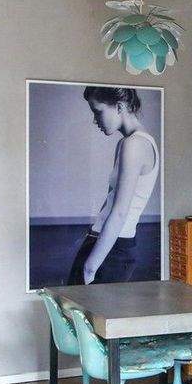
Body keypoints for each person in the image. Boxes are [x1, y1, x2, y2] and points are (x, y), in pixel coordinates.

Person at [67, 86, 159, 285]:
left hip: (112, 248)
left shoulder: (134, 144)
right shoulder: (131, 142)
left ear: (119, 106)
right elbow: (110, 200)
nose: (95, 120)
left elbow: (119, 212)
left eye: (98, 111)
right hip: (105, 242)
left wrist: (90, 268)